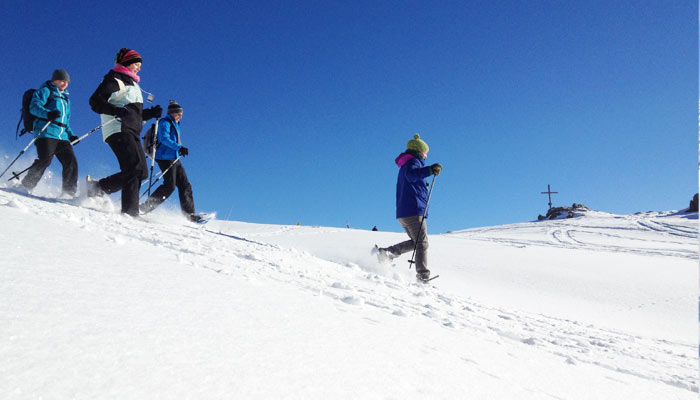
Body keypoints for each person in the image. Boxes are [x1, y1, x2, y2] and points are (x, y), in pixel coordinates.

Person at [86, 48, 162, 216]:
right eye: (136, 64)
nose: (139, 68)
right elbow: (95, 101)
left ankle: (98, 187)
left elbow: (134, 115)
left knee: (141, 171)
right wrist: (114, 110)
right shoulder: (115, 79)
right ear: (126, 63)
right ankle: (130, 212)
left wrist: (150, 113)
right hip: (118, 128)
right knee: (133, 168)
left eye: (140, 65)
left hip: (132, 130)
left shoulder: (134, 85)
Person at [375, 134, 442, 281]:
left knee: (416, 242)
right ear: (419, 151)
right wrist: (429, 170)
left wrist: (423, 182)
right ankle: (422, 276)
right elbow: (412, 176)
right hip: (413, 211)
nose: (426, 155)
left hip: (405, 211)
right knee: (422, 243)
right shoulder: (413, 162)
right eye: (425, 152)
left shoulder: (408, 164)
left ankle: (387, 253)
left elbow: (412, 180)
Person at [140, 100, 203, 222]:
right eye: (179, 113)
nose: (181, 116)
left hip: (174, 157)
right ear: (173, 113)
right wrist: (179, 148)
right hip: (164, 157)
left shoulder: (175, 124)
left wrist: (179, 150)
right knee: (169, 186)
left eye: (181, 114)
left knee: (185, 184)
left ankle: (189, 214)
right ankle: (144, 208)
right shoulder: (165, 122)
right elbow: (164, 138)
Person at [21, 69, 79, 196]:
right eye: (62, 80)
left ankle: (69, 192)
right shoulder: (45, 91)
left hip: (62, 135)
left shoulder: (65, 99)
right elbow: (34, 107)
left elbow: (66, 121)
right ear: (54, 80)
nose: (64, 83)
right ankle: (26, 185)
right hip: (46, 132)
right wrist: (48, 114)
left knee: (71, 161)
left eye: (67, 81)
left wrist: (71, 135)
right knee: (46, 159)